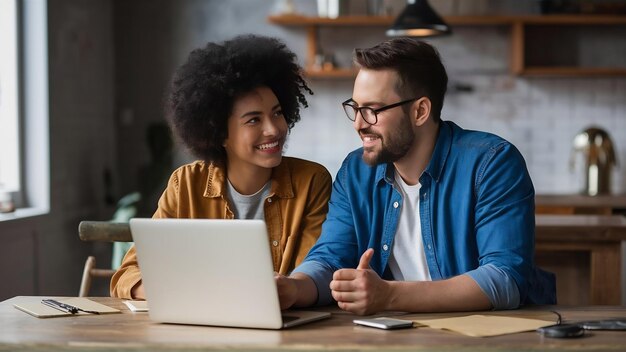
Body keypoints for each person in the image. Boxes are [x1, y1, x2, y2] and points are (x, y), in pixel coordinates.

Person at [276, 38, 556, 315]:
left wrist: (388, 296)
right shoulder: (356, 172)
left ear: (420, 111)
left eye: (372, 110)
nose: (359, 124)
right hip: (395, 334)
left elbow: (505, 279)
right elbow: (330, 260)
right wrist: (294, 288)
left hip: (485, 338)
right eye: (355, 108)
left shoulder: (493, 163)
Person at [111, 35, 332, 299]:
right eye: (253, 120)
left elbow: (317, 269)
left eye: (277, 113)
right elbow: (127, 275)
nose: (273, 129)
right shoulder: (186, 185)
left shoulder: (311, 182)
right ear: (219, 133)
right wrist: (179, 292)